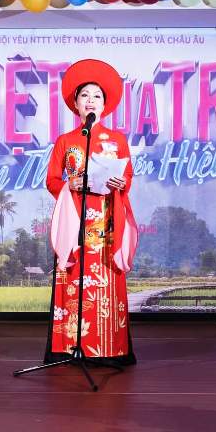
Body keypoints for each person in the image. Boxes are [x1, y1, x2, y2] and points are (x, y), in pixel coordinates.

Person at [44, 59, 139, 366]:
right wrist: (69, 184)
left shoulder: (117, 140)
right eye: (84, 95)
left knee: (106, 281)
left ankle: (109, 348)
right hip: (75, 220)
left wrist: (120, 183)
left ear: (105, 104)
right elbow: (51, 180)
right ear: (75, 103)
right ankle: (69, 346)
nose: (90, 100)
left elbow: (128, 176)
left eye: (96, 96)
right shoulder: (66, 141)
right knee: (74, 280)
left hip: (107, 220)